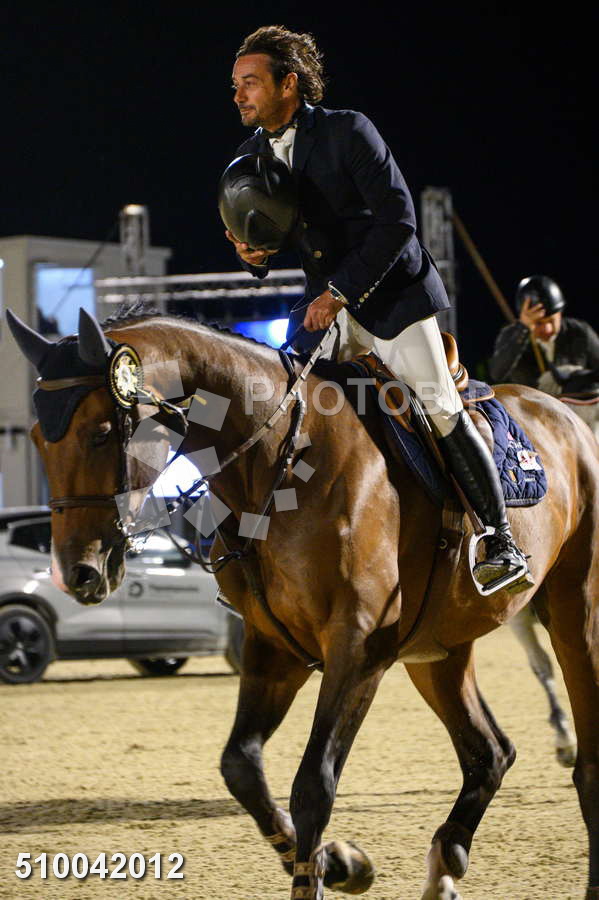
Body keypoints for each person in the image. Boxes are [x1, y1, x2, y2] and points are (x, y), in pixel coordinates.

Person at [225, 25, 532, 594]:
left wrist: (339, 294)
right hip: (325, 307)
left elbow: (398, 223)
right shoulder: (249, 157)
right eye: (236, 84)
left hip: (392, 297)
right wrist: (254, 255)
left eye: (250, 82)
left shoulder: (348, 131)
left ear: (289, 84)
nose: (238, 94)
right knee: (283, 413)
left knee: (439, 404)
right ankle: (265, 550)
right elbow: (275, 235)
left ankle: (499, 539)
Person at [488, 275, 599, 387]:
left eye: (551, 320)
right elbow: (496, 374)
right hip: (530, 397)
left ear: (560, 313)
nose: (547, 329)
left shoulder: (579, 331)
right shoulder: (512, 336)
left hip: (577, 396)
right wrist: (523, 328)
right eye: (538, 323)